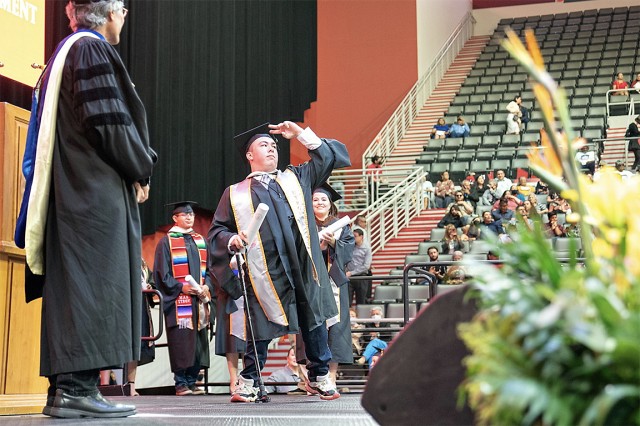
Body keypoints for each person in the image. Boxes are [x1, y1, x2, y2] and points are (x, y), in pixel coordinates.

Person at [15, 0, 157, 418]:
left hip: (74, 192)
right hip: (92, 196)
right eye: (123, 7)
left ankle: (64, 390)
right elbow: (109, 124)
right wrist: (141, 166)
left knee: (74, 287)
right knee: (92, 286)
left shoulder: (63, 53)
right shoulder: (90, 50)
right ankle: (77, 388)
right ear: (109, 13)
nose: (127, 15)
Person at [208, 121, 351, 403]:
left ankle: (320, 375)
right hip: (267, 268)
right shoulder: (236, 193)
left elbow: (328, 157)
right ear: (249, 155)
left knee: (315, 318)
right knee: (261, 324)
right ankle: (249, 380)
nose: (272, 148)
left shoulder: (296, 177)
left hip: (302, 261)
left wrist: (300, 134)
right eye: (264, 145)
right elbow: (217, 231)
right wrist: (232, 239)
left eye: (274, 145)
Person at [154, 202, 214, 396]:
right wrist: (181, 287)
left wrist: (207, 287)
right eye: (184, 214)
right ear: (175, 218)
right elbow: (161, 274)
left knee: (198, 343)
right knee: (182, 341)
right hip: (180, 302)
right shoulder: (167, 241)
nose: (189, 217)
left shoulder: (200, 240)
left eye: (191, 215)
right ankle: (180, 382)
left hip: (198, 301)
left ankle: (192, 380)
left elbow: (211, 270)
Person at [311, 183, 355, 383]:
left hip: (333, 281)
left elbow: (348, 252)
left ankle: (332, 376)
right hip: (310, 282)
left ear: (330, 204)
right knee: (311, 326)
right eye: (315, 199)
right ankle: (311, 377)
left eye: (323, 200)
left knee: (335, 327)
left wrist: (333, 243)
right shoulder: (305, 225)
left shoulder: (340, 225)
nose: (319, 202)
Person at [212, 255, 246, 395]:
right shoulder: (222, 247)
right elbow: (216, 270)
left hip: (249, 297)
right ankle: (233, 380)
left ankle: (247, 379)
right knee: (231, 342)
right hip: (228, 298)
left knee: (249, 342)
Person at [126, 258, 157, 397]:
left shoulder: (141, 261)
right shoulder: (119, 257)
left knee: (135, 345)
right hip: (123, 306)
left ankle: (131, 386)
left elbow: (151, 280)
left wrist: (150, 286)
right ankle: (104, 384)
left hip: (140, 307)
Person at [347, 228, 373, 306]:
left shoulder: (367, 249)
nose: (353, 238)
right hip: (349, 278)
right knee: (347, 302)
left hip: (361, 277)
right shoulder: (349, 247)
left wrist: (351, 272)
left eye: (355, 236)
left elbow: (366, 266)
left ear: (361, 237)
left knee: (361, 302)